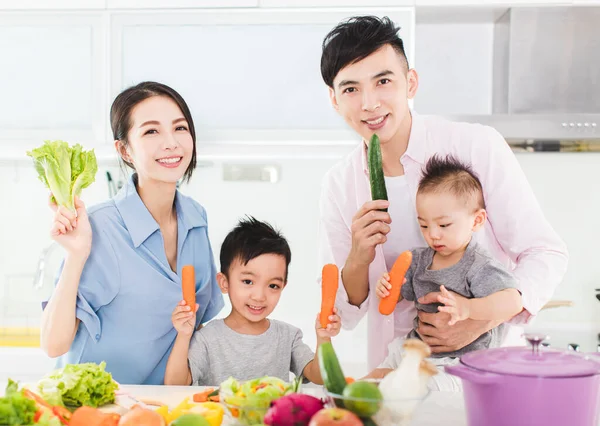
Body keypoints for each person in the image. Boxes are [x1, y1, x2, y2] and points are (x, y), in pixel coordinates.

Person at [316, 15, 568, 372]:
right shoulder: (339, 184)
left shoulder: (476, 145)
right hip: (396, 371)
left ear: (410, 82)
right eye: (351, 89)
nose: (369, 103)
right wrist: (358, 257)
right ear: (334, 99)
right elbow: (347, 311)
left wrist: (479, 318)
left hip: (481, 367)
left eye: (383, 81)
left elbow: (545, 252)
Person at [40, 81, 224, 385]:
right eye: (151, 131)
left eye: (180, 128)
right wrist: (76, 255)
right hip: (92, 406)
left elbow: (196, 325)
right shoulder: (101, 227)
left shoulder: (196, 218)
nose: (171, 143)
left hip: (161, 406)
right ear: (124, 150)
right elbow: (52, 345)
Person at [367, 155, 522, 385]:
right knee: (374, 378)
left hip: (458, 361)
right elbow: (400, 293)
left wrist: (468, 307)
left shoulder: (478, 265)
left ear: (477, 221)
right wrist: (389, 287)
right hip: (415, 349)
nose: (433, 234)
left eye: (443, 225)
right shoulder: (418, 259)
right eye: (424, 225)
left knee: (411, 387)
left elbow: (513, 303)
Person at [164, 217, 341, 386]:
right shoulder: (207, 338)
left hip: (271, 418)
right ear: (224, 283)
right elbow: (175, 383)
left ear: (283, 287)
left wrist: (323, 338)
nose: (259, 296)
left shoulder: (288, 336)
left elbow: (320, 377)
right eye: (248, 282)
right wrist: (184, 335)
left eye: (273, 285)